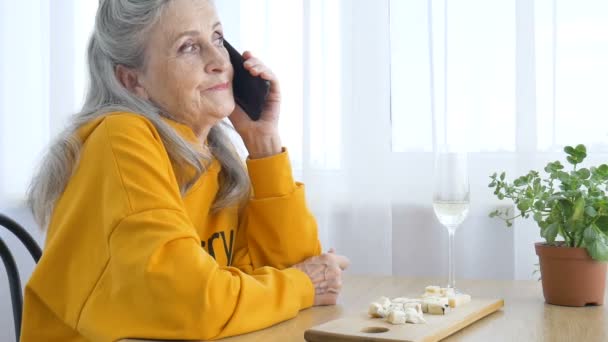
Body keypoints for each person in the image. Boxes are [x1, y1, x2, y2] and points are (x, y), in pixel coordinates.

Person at [20, 0, 349, 340]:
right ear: (132, 80)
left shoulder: (212, 156)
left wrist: (263, 143)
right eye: (189, 47)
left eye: (218, 38)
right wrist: (302, 284)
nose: (220, 62)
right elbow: (198, 304)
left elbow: (290, 276)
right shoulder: (119, 139)